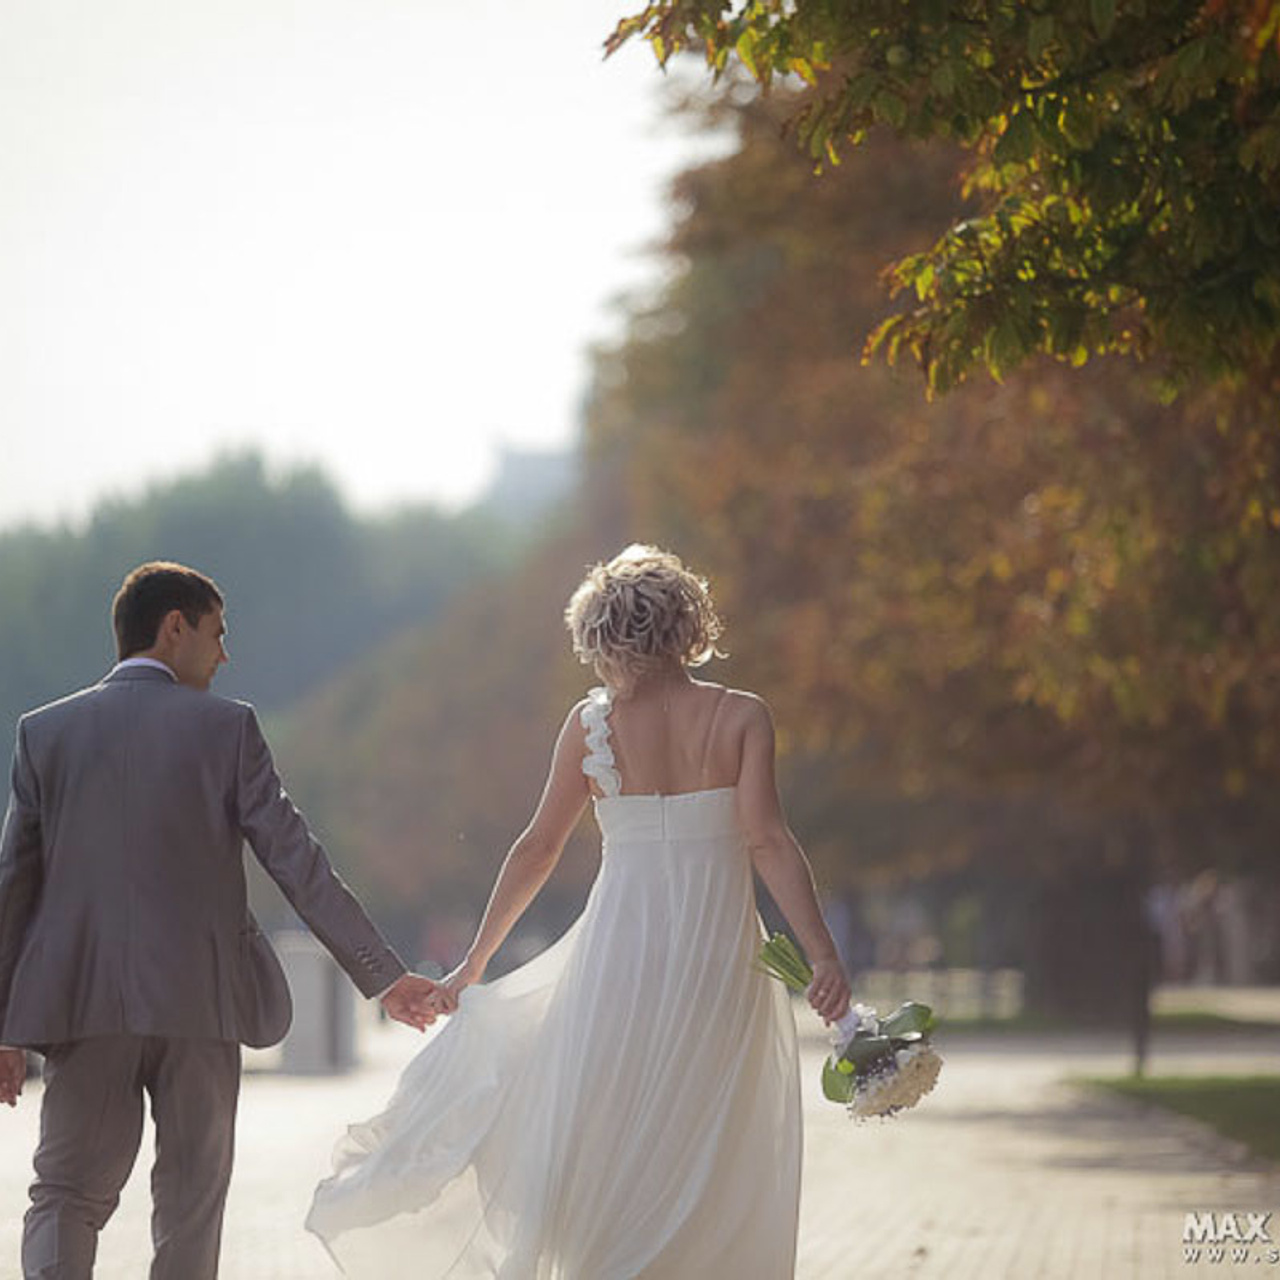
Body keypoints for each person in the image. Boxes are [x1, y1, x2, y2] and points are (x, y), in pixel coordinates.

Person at [307, 544, 850, 1278]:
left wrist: (474, 963)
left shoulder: (591, 725)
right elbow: (769, 842)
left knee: (614, 1131)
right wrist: (821, 954)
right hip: (718, 961)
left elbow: (537, 848)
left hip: (618, 958)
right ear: (687, 621)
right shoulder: (742, 717)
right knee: (707, 1134)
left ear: (601, 635)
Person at [0, 560, 452, 1280]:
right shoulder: (227, 728)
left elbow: (13, 889)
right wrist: (383, 976)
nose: (224, 654)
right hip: (201, 1005)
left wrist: (5, 1028)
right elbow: (297, 861)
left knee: (65, 1195)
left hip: (82, 1009)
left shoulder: (44, 733)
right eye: (217, 633)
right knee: (190, 1208)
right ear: (174, 627)